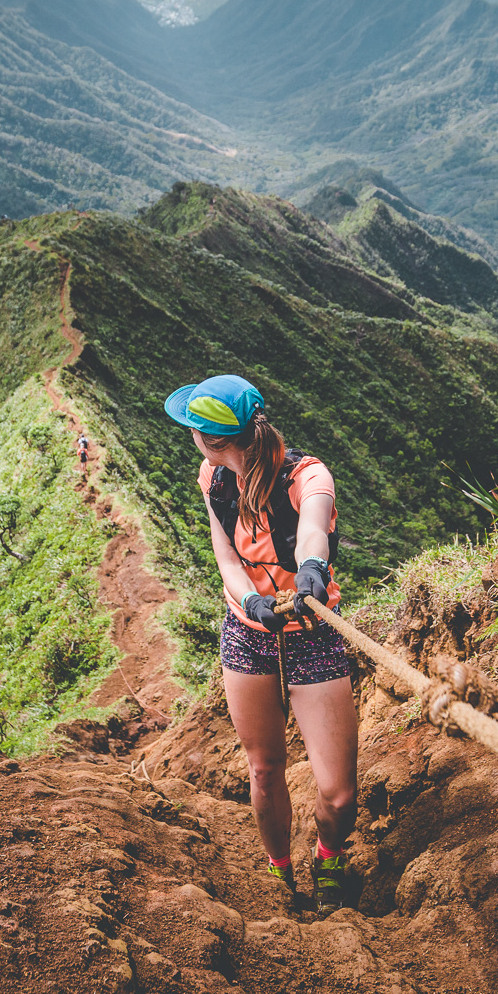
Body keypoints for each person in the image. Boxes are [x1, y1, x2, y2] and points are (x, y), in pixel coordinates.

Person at [163, 373, 358, 913]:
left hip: (310, 633)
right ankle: (280, 872)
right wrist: (251, 602)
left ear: (213, 437)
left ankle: (329, 855)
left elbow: (315, 523)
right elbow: (226, 555)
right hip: (248, 634)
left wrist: (312, 566)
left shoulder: (305, 475)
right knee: (265, 768)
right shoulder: (213, 477)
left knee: (339, 794)